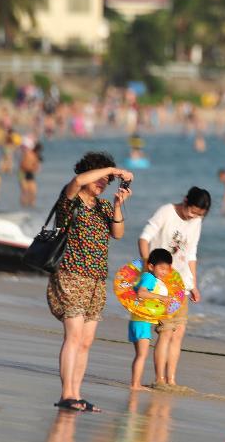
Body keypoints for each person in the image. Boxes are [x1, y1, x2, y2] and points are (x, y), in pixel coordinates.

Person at [49, 152, 133, 412]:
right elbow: (77, 181)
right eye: (101, 177)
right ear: (91, 173)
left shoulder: (104, 207)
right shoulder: (70, 200)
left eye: (106, 180)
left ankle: (76, 393)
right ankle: (66, 394)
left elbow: (118, 234)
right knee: (73, 337)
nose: (103, 183)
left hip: (96, 281)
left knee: (86, 342)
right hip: (70, 275)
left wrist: (118, 205)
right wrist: (112, 169)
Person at [139, 187, 211, 387]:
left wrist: (194, 285)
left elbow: (191, 253)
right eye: (193, 211)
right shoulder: (166, 212)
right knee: (165, 331)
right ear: (186, 200)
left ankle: (171, 379)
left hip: (182, 285)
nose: (194, 216)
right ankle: (159, 379)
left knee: (178, 333)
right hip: (162, 283)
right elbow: (144, 237)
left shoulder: (196, 221)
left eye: (199, 214)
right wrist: (148, 267)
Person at [128, 249, 173, 391]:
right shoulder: (149, 278)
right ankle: (135, 384)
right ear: (151, 266)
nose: (164, 272)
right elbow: (141, 292)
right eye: (161, 268)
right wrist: (161, 298)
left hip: (139, 320)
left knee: (140, 354)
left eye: (167, 269)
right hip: (142, 321)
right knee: (142, 354)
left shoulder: (154, 279)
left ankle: (135, 383)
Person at [19, 138, 42, 208]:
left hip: (30, 173)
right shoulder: (28, 153)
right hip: (23, 173)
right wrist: (32, 168)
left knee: (33, 191)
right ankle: (23, 207)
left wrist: (35, 167)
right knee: (25, 191)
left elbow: (37, 167)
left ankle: (31, 207)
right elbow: (23, 165)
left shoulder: (36, 156)